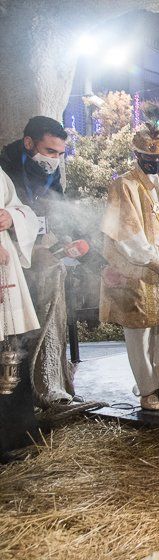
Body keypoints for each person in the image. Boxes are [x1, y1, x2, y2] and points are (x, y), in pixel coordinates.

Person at [99, 101, 159, 411]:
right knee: (139, 333)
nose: (155, 163)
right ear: (137, 157)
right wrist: (158, 264)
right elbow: (127, 232)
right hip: (138, 269)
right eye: (148, 158)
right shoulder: (123, 185)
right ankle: (148, 388)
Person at [0, 116, 74, 408]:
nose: (54, 160)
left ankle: (45, 386)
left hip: (33, 252)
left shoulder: (49, 171)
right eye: (49, 151)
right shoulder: (6, 166)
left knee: (39, 326)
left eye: (59, 154)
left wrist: (65, 240)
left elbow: (54, 207)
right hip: (14, 258)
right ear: (29, 143)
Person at [0, 167, 40, 456]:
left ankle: (15, 438)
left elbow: (21, 208)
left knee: (12, 352)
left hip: (6, 268)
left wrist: (12, 217)